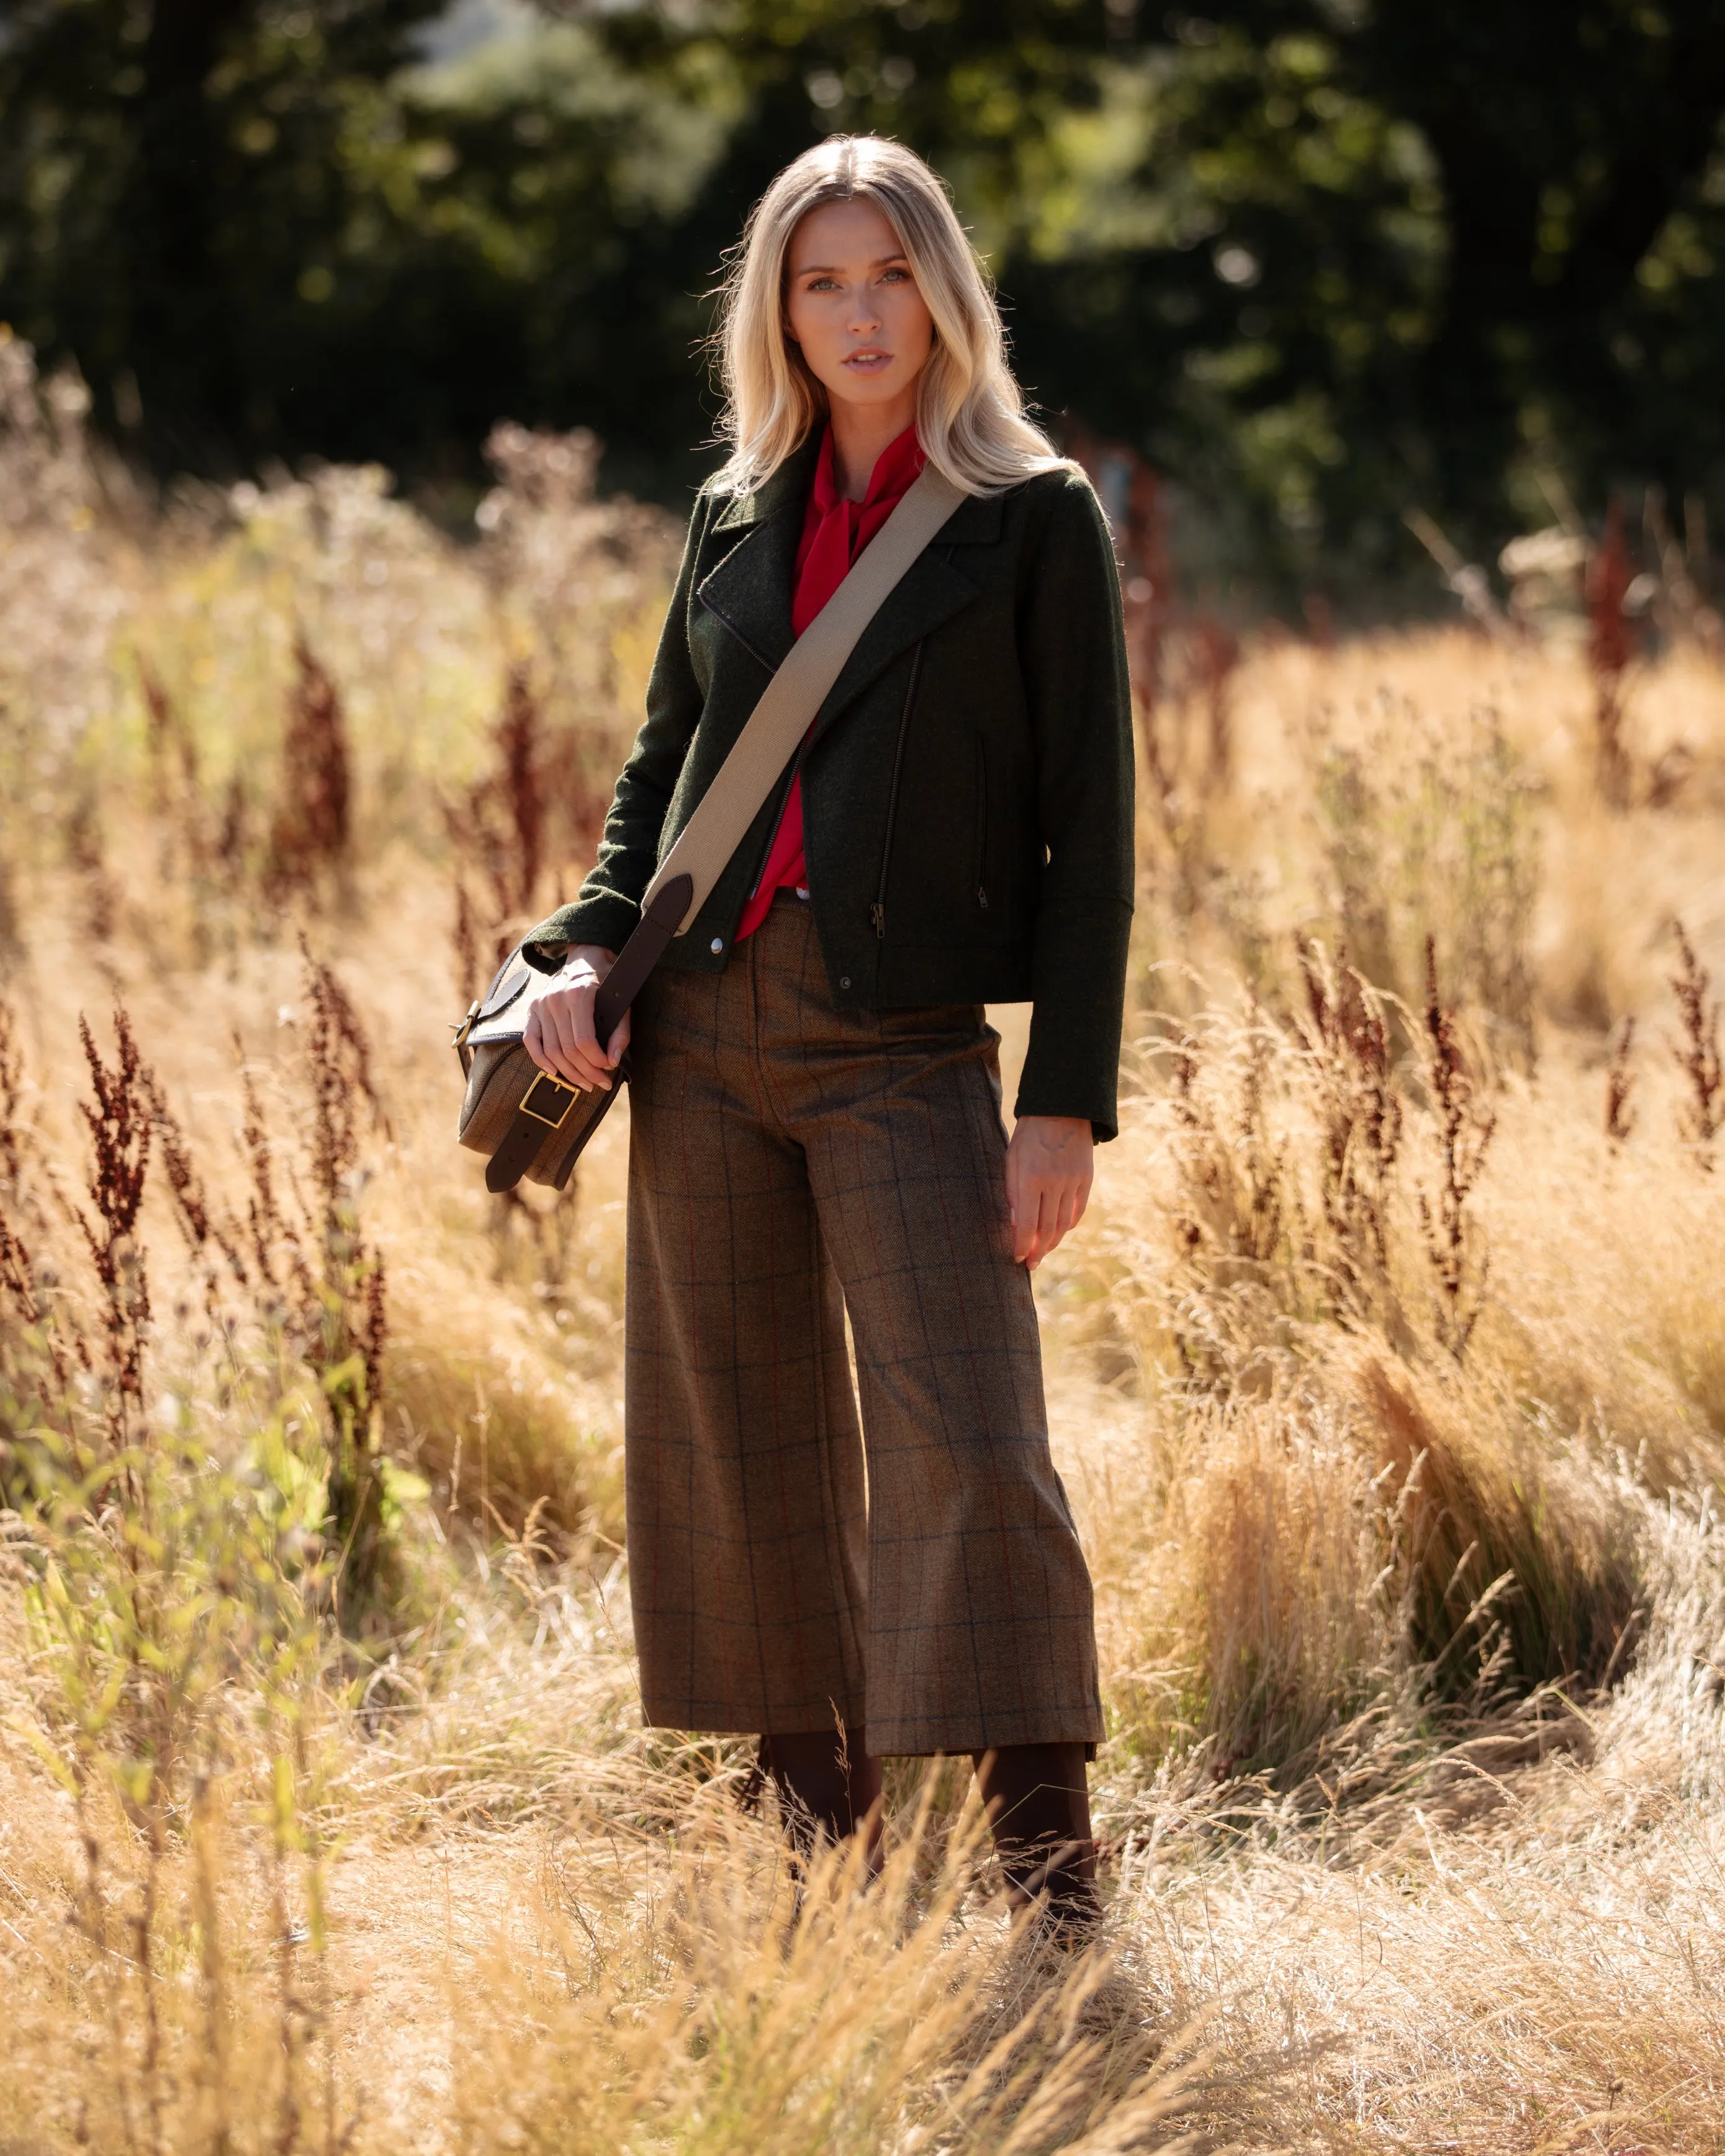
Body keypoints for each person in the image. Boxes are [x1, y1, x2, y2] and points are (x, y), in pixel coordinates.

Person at [520, 133, 1133, 1927]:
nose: (859, 317)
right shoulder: (732, 505)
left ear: (942, 291)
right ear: (776, 309)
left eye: (888, 277)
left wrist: (1066, 1105)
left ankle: (1045, 1853)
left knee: (967, 1428)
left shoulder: (1034, 517)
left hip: (907, 1040)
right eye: (821, 282)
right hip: (700, 1030)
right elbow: (666, 766)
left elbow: (1089, 831)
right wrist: (583, 943)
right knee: (740, 1426)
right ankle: (809, 1821)